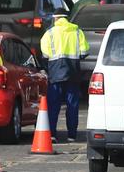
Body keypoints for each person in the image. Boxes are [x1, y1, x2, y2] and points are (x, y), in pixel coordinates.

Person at [39, 10, 90, 141]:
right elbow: (84, 52)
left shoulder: (49, 33)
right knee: (72, 104)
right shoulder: (77, 32)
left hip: (55, 73)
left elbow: (45, 55)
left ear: (55, 19)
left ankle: (52, 134)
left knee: (53, 105)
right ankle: (72, 135)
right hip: (73, 73)